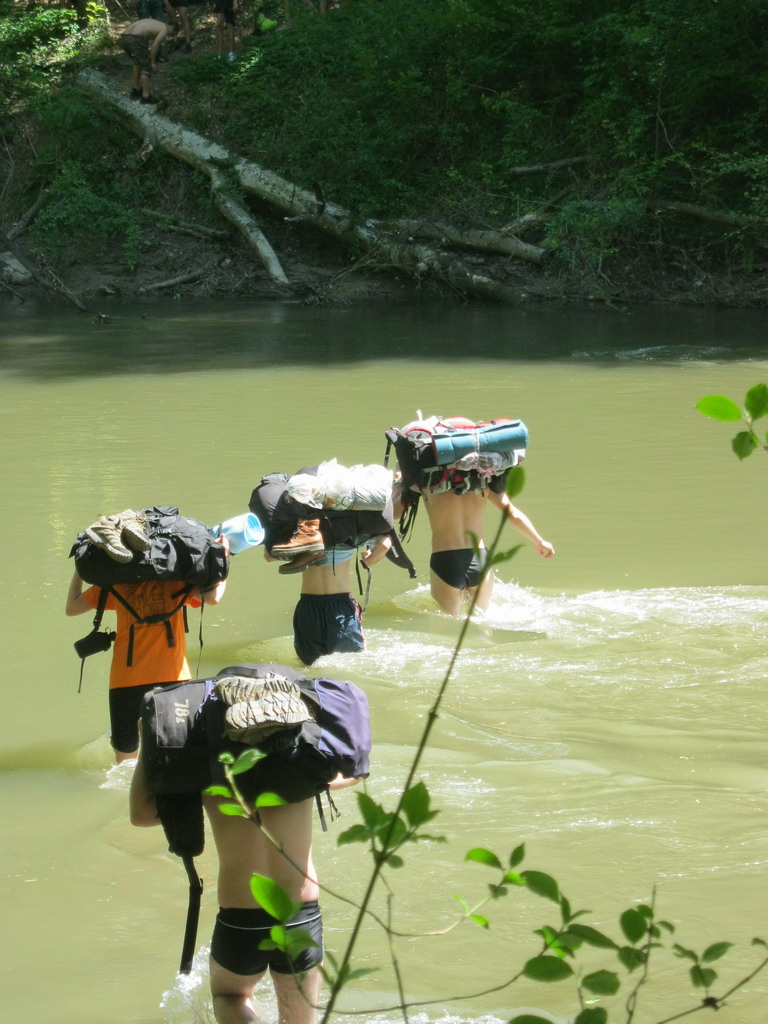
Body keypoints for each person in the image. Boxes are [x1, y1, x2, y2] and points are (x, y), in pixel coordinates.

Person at [129, 726, 359, 1023]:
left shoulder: (209, 772)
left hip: (241, 918)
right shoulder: (304, 768)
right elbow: (356, 770)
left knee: (230, 998)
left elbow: (141, 814)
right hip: (301, 914)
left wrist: (148, 738)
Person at [65, 537, 228, 763]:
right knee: (177, 754)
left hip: (125, 680)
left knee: (125, 759)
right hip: (173, 679)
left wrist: (82, 569)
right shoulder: (177, 583)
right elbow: (213, 598)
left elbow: (71, 608)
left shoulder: (115, 585)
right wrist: (223, 556)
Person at [422, 482, 554, 615]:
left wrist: (400, 482)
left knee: (446, 628)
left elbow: (399, 513)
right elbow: (513, 515)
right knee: (482, 624)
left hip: (446, 560)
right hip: (480, 559)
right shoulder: (483, 480)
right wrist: (539, 541)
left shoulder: (426, 480)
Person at [266, 536, 392, 665]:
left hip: (308, 608)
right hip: (341, 609)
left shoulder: (301, 531)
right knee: (352, 663)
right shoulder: (350, 529)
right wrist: (369, 560)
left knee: (308, 667)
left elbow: (269, 556)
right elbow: (385, 544)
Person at [119, 18, 168, 103]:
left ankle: (136, 89)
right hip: (135, 38)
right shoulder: (165, 29)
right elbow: (155, 45)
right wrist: (152, 62)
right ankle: (146, 96)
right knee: (146, 66)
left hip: (124, 37)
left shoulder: (154, 23)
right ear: (173, 28)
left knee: (136, 62)